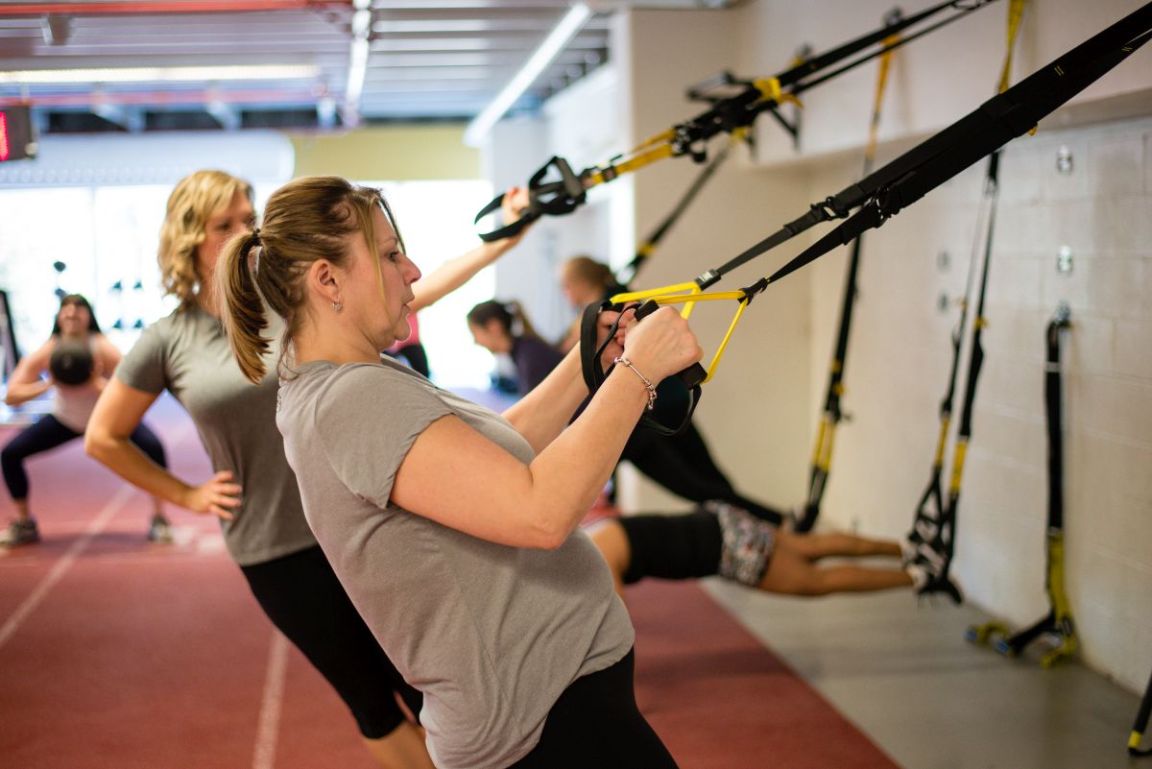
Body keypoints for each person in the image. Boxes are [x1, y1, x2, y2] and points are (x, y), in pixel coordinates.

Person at [217, 175, 698, 769]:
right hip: (542, 728)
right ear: (328, 280)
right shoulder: (351, 399)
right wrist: (638, 374)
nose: (413, 270)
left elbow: (496, 453)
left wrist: (588, 362)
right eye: (392, 254)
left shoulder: (358, 379)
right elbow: (541, 512)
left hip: (557, 710)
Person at [86, 170, 528, 769]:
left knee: (432, 683)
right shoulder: (167, 341)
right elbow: (103, 437)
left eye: (248, 218)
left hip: (361, 521)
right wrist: (187, 496)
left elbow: (404, 289)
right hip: (277, 550)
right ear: (189, 240)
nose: (244, 232)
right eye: (225, 225)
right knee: (369, 701)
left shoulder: (289, 300)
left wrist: (497, 245)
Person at [558, 254, 787, 525]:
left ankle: (774, 524)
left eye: (566, 286)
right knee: (708, 480)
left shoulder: (611, 308)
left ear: (580, 282)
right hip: (670, 399)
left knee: (699, 486)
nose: (565, 293)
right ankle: (772, 525)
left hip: (657, 406)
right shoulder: (614, 300)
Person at [2, 294, 171, 546]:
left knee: (154, 448)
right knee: (9, 454)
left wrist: (95, 384)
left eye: (78, 309)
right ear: (59, 317)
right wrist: (48, 384)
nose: (71, 314)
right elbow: (11, 396)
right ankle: (25, 523)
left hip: (108, 419)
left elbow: (135, 389)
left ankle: (159, 518)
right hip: (65, 419)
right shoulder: (50, 349)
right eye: (66, 309)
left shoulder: (101, 346)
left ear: (88, 317)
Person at [585, 500, 962, 602]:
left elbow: (618, 627)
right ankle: (911, 548)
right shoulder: (592, 534)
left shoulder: (595, 559)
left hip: (727, 550)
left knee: (817, 582)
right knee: (810, 546)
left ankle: (919, 575)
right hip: (719, 520)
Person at [466, 299, 564, 395]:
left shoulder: (530, 356)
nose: (476, 342)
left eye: (475, 333)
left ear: (494, 327)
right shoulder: (523, 351)